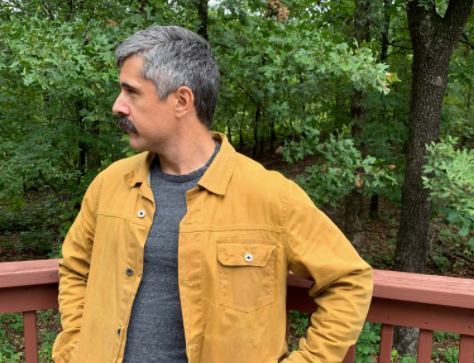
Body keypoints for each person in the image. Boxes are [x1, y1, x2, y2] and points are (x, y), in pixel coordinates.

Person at [52, 25, 373, 363]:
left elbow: (348, 281)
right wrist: (74, 349)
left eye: (131, 92)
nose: (118, 106)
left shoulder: (272, 197)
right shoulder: (109, 185)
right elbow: (75, 268)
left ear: (181, 101)